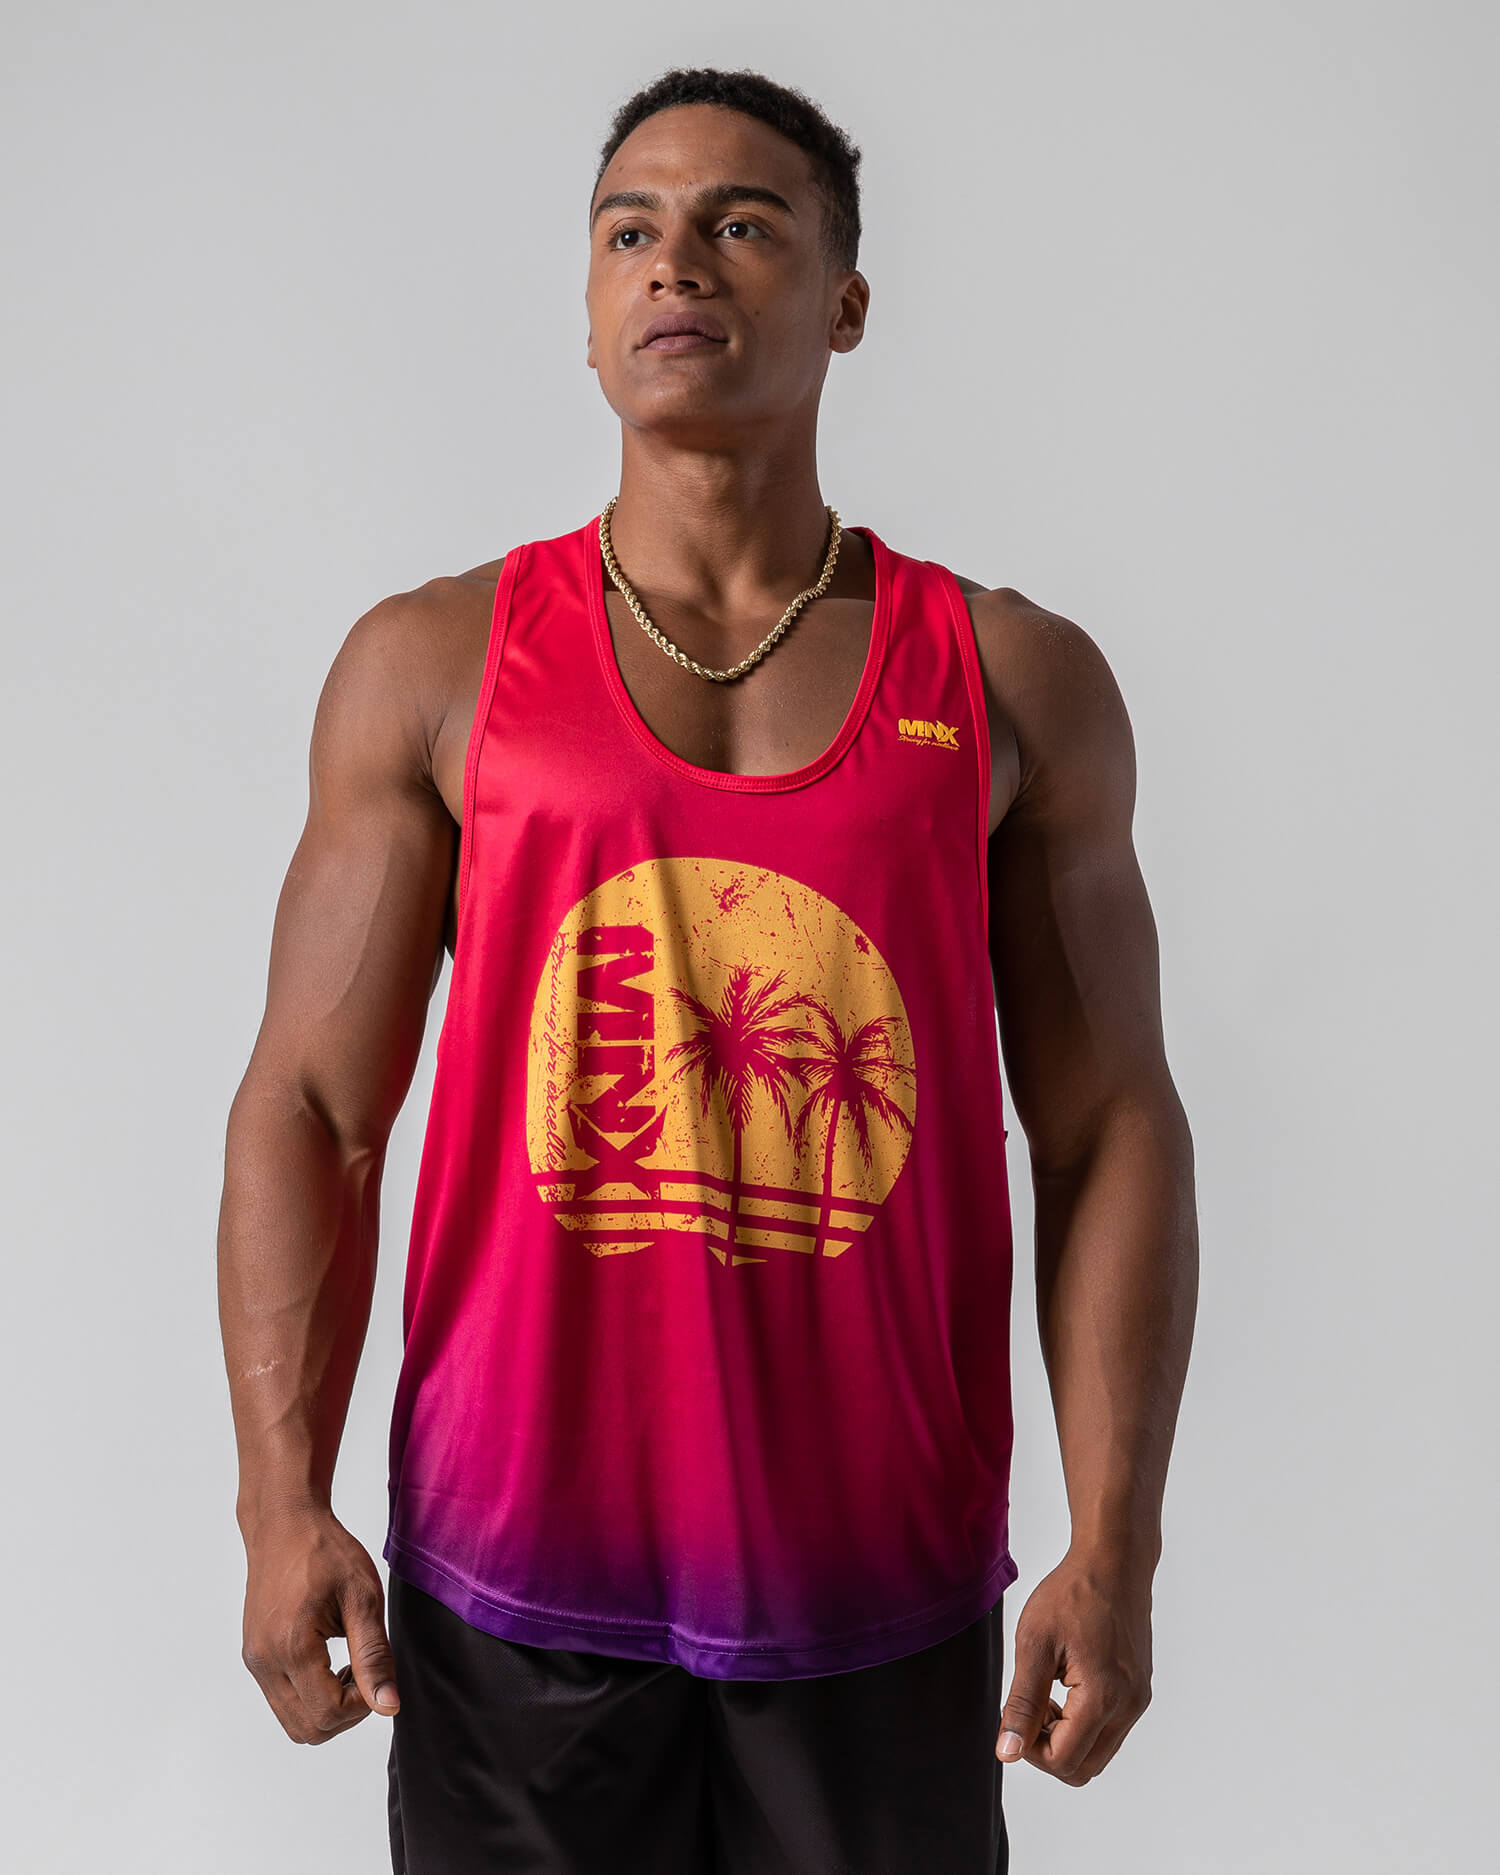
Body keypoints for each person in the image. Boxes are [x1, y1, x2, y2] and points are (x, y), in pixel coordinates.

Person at [218, 65, 1198, 1875]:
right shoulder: (436, 665)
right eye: (630, 231)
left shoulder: (1009, 678)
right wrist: (282, 1505)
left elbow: (1109, 1127)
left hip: (877, 1578)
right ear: (590, 309)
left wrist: (1116, 1538)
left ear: (846, 301)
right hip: (515, 1578)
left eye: (742, 224)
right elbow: (308, 1107)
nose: (675, 263)